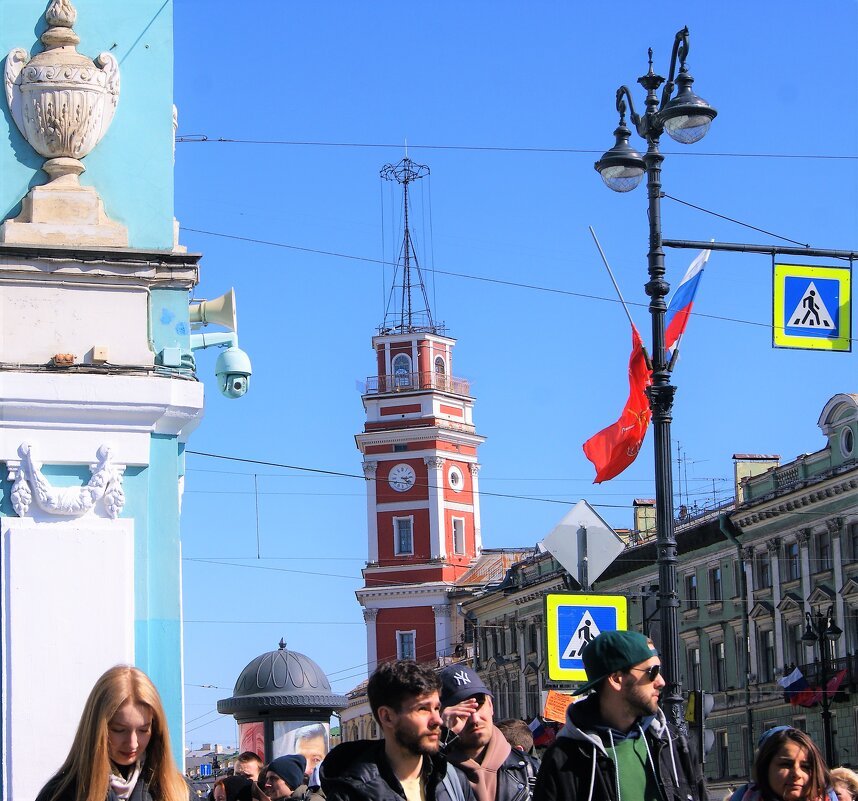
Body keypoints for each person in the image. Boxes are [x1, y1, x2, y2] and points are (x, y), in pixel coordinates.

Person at [533, 630, 705, 801]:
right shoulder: (564, 760)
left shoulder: (675, 744)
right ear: (616, 678)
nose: (661, 682)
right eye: (652, 672)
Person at [320, 660, 475, 801]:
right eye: (423, 709)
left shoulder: (453, 782)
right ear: (387, 717)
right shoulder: (351, 794)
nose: (437, 720)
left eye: (436, 708)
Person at [35, 665, 189, 801]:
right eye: (119, 730)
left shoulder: (179, 791)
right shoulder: (60, 794)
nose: (132, 743)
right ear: (96, 729)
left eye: (143, 730)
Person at [439, 665, 539, 801]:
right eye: (462, 710)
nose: (474, 719)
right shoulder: (429, 776)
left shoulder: (531, 771)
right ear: (442, 717)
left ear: (491, 706)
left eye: (479, 705)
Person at [729, 727, 836, 801]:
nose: (797, 774)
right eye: (786, 764)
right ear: (765, 767)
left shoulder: (829, 797)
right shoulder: (742, 796)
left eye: (805, 766)